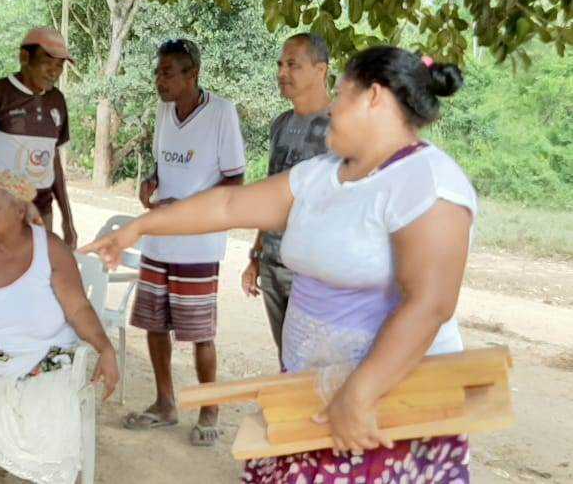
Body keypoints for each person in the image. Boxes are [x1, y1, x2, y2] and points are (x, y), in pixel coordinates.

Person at [83, 46, 476, 482]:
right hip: (310, 395)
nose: (332, 106)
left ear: (375, 98)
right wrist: (140, 227)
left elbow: (430, 303)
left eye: (342, 95)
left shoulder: (427, 181)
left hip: (387, 408)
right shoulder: (321, 175)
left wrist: (361, 393)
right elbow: (229, 204)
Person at [0, 171, 119, 484]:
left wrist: (105, 347)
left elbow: (78, 307)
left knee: (50, 414)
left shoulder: (51, 249)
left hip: (46, 358)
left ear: (20, 211)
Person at [123, 39, 246, 447]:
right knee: (154, 325)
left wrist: (188, 208)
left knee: (199, 333)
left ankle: (209, 408)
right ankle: (165, 403)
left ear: (192, 75)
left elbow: (235, 180)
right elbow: (163, 165)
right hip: (159, 238)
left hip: (198, 242)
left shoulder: (222, 113)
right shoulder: (163, 111)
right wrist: (152, 182)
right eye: (158, 72)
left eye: (168, 73)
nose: (159, 80)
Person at [242, 34, 332, 364]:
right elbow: (271, 194)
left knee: (312, 364)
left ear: (321, 70)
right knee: (286, 361)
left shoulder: (341, 128)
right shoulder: (281, 124)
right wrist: (256, 254)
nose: (283, 72)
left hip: (313, 272)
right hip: (273, 265)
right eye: (280, 64)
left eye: (293, 64)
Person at [0, 27, 78, 248]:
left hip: (42, 211)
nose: (54, 72)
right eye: (48, 62)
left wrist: (68, 220)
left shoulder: (57, 101)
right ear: (24, 57)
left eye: (60, 66)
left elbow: (54, 164)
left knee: (36, 275)